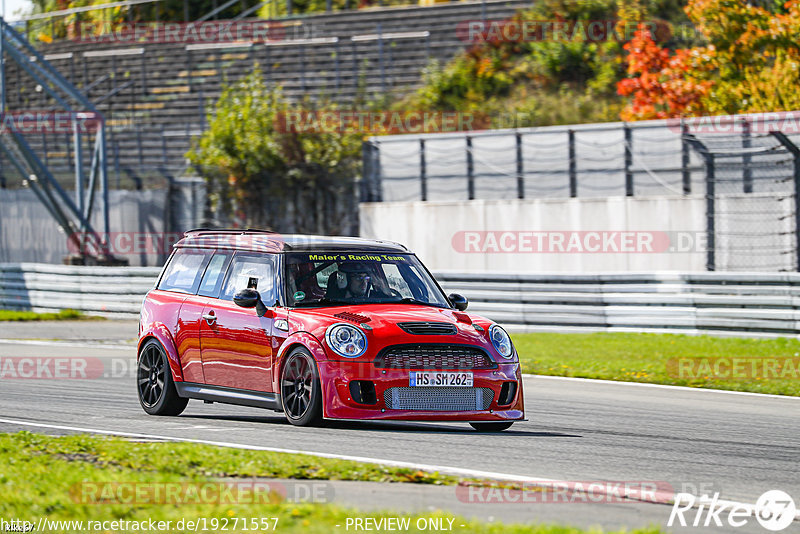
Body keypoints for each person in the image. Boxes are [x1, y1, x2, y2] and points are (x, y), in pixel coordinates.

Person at [327, 262, 391, 301]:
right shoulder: (329, 305)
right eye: (358, 278)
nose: (364, 283)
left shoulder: (379, 299)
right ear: (344, 280)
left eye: (366, 278)